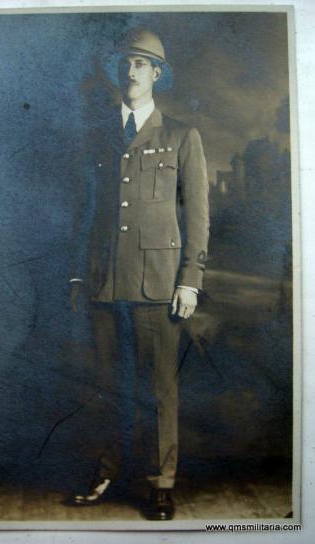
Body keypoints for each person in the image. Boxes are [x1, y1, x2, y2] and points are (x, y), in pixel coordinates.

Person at [69, 27, 210, 520]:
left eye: (141, 64)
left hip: (158, 283)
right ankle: (106, 469)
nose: (131, 71)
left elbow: (197, 215)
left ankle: (159, 482)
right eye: (124, 63)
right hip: (104, 280)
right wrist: (76, 277)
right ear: (116, 72)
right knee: (106, 382)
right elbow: (84, 211)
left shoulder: (180, 137)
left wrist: (189, 278)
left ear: (157, 74)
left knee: (158, 388)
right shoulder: (99, 139)